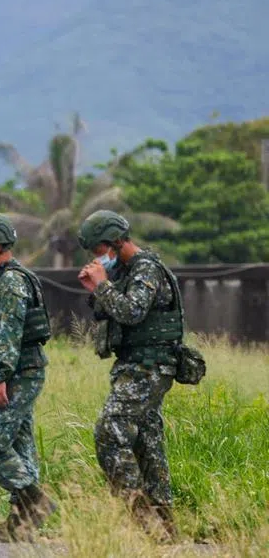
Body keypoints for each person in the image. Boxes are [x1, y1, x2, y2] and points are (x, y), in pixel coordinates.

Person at [77, 210, 182, 540]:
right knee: (148, 444)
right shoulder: (124, 270)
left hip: (149, 367)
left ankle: (143, 520)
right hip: (135, 366)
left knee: (109, 432)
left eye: (99, 250)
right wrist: (96, 289)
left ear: (116, 242)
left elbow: (132, 312)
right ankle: (164, 528)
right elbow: (111, 312)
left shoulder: (146, 269)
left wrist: (103, 285)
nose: (97, 257)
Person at [0, 214, 56, 543]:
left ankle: (37, 502)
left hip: (18, 373)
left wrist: (0, 376)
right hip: (18, 371)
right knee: (21, 446)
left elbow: (10, 334)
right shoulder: (1, 278)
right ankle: (21, 526)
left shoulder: (11, 283)